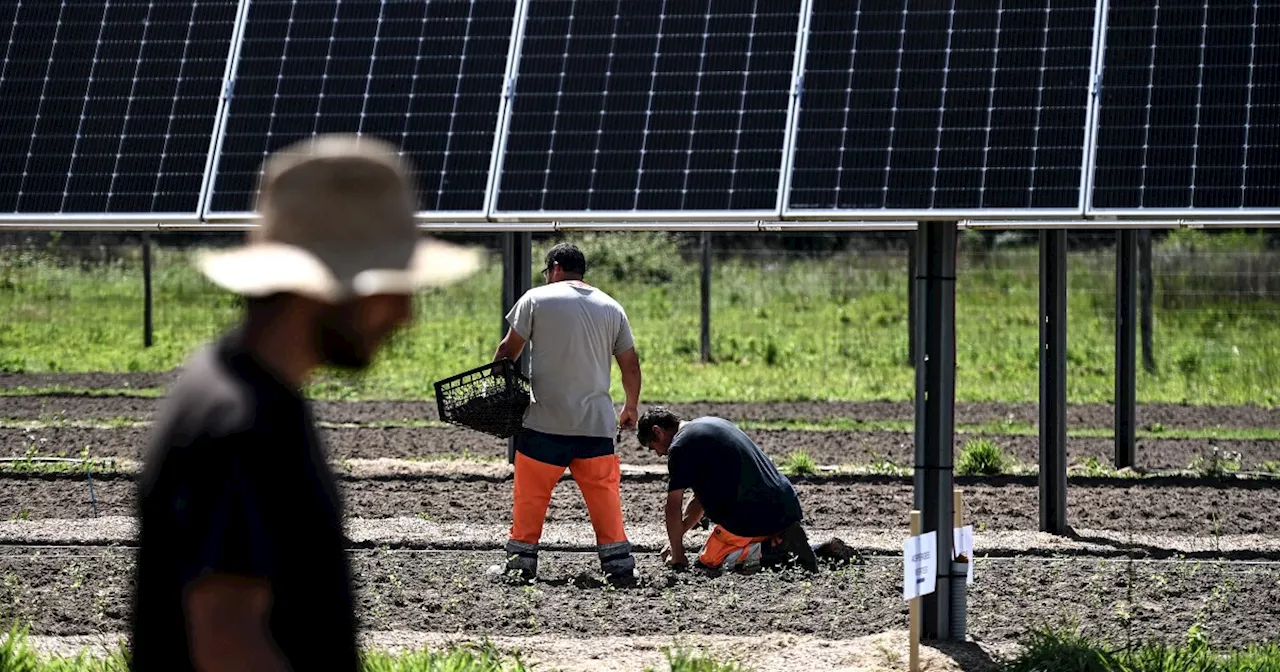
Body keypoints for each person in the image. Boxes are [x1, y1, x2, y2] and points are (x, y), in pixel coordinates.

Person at [129, 134, 484, 671]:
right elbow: (228, 642)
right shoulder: (241, 424)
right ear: (324, 289)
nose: (405, 314)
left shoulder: (242, 392)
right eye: (390, 286)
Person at [492, 242, 643, 585]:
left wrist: (498, 391)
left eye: (547, 273)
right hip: (595, 426)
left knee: (530, 497)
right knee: (605, 498)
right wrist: (630, 405)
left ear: (556, 267)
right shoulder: (612, 307)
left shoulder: (535, 299)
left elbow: (507, 352)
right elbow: (630, 366)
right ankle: (619, 565)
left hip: (544, 421)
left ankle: (520, 564)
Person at [637, 406, 855, 574]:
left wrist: (678, 556)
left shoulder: (680, 447)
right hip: (784, 504)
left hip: (752, 516)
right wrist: (675, 539)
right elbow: (698, 502)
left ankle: (781, 551)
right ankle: (821, 549)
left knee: (710, 562)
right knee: (752, 538)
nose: (657, 454)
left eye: (651, 447)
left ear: (657, 432)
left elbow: (672, 507)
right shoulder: (709, 424)